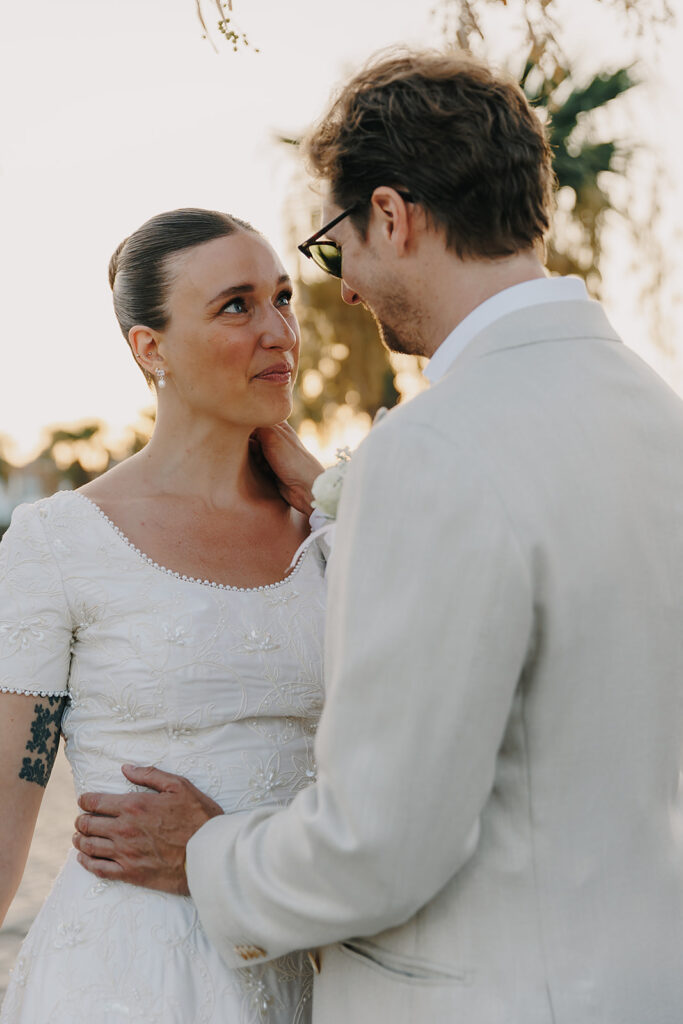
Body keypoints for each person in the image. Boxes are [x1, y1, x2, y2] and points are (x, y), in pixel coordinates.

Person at [74, 50, 683, 1023]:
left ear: (392, 217)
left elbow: (376, 845)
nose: (341, 290)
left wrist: (203, 849)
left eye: (331, 247)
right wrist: (345, 501)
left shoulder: (434, 452)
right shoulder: (656, 418)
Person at [0, 207, 328, 1023]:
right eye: (235, 306)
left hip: (319, 966)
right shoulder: (59, 543)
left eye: (283, 298)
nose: (278, 331)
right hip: (132, 979)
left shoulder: (335, 531)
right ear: (151, 349)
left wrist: (332, 500)